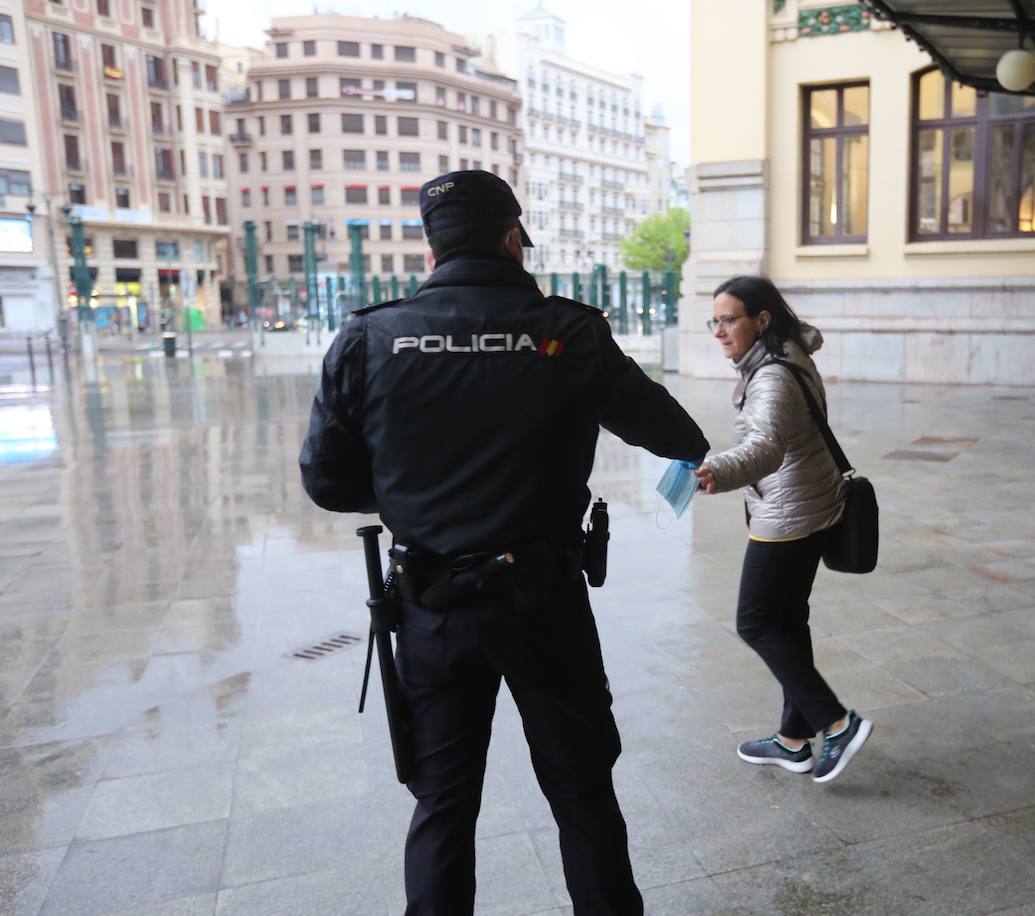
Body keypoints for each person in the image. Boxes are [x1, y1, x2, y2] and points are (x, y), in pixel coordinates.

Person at [299, 169, 709, 915]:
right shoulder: (571, 332)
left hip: (432, 610)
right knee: (583, 796)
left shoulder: (368, 337)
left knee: (443, 806)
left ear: (431, 249)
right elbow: (678, 436)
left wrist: (411, 495)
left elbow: (327, 483)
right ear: (513, 237)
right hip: (545, 601)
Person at [692, 275, 873, 784]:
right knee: (789, 621)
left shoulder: (770, 376)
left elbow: (765, 448)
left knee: (756, 621)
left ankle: (836, 723)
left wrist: (715, 471)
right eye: (715, 321)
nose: (720, 331)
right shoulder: (790, 356)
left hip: (789, 514)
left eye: (729, 320)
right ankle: (794, 741)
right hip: (813, 501)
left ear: (762, 320)